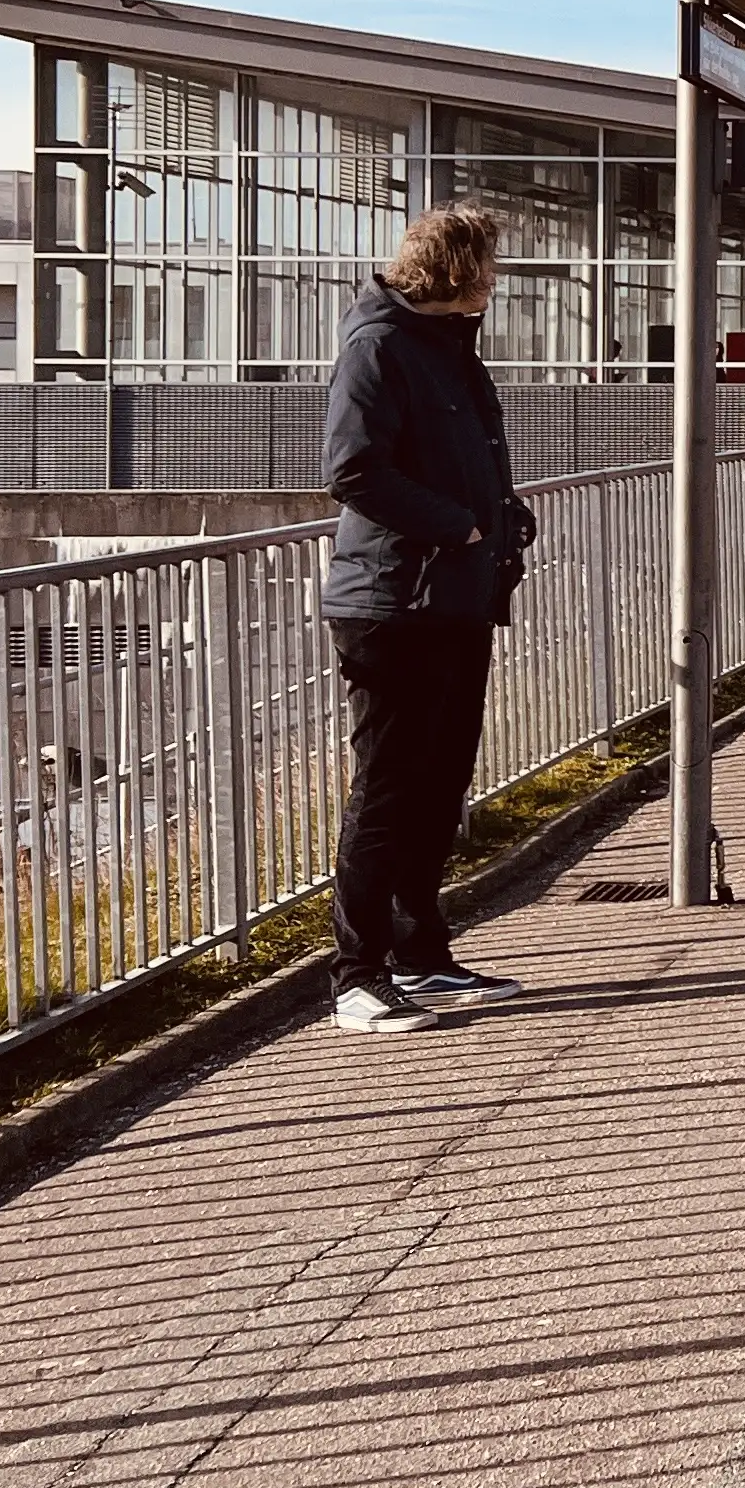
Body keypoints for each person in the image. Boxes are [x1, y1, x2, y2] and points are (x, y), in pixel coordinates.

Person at [316, 205, 536, 1035]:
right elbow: (354, 471)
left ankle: (420, 955)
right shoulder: (378, 347)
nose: (496, 278)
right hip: (391, 605)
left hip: (454, 598)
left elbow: (461, 456)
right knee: (388, 789)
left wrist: (501, 516)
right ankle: (356, 977)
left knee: (442, 784)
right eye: (488, 264)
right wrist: (460, 524)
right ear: (454, 272)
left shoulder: (448, 346)